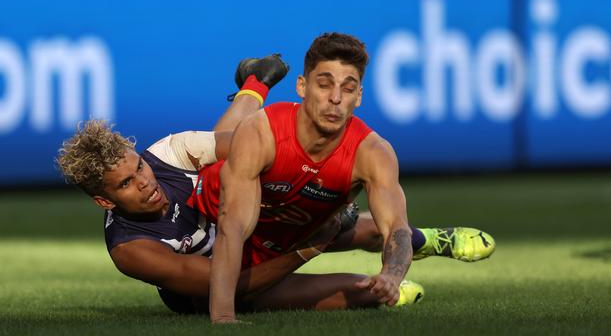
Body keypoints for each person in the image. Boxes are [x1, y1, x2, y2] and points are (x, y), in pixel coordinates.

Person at [57, 52, 495, 316]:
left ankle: (430, 239)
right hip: (217, 284)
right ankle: (376, 290)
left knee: (267, 171)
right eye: (126, 185)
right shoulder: (131, 248)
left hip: (240, 220)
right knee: (283, 290)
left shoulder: (165, 154)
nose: (145, 183)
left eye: (139, 168)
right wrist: (307, 248)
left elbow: (248, 140)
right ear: (103, 200)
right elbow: (221, 284)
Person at [188, 33, 495, 324]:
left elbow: (395, 228)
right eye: (324, 85)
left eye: (348, 89)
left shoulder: (372, 152)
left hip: (287, 236)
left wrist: (390, 276)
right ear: (302, 86)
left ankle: (424, 240)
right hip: (211, 226)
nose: (335, 99)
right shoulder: (262, 132)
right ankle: (256, 83)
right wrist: (224, 318)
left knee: (374, 238)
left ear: (359, 96)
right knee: (219, 143)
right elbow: (232, 226)